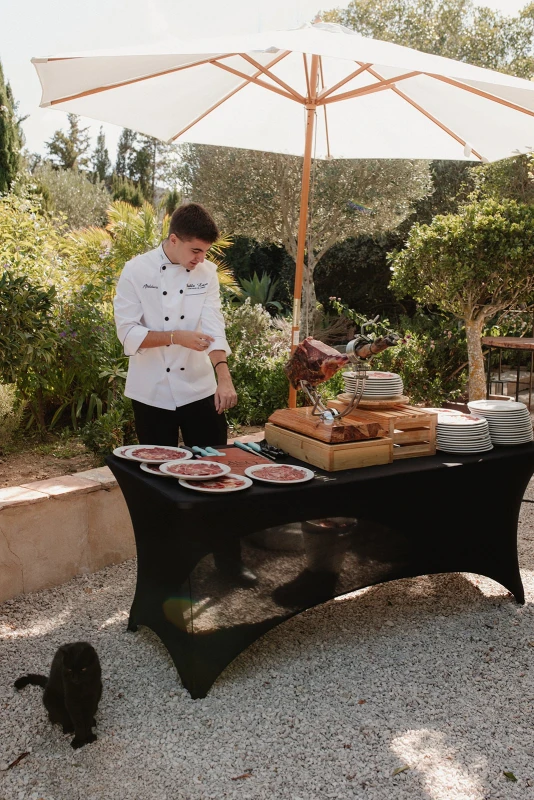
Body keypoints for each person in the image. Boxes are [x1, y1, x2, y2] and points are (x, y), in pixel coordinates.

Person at [113, 202, 256, 585]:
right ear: (173, 240)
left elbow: (213, 324)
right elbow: (127, 334)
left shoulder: (205, 272)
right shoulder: (135, 270)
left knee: (218, 476)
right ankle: (167, 573)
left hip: (199, 389)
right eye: (196, 250)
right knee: (159, 485)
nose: (201, 258)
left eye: (205, 252)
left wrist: (223, 375)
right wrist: (176, 337)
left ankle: (229, 564)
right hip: (151, 394)